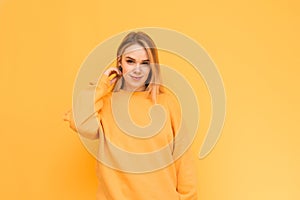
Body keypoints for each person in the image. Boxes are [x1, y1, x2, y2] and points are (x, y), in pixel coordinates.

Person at [63, 31, 198, 200]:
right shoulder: (106, 104)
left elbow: (184, 163)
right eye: (130, 61)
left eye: (145, 63)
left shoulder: (167, 103)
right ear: (119, 62)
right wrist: (103, 83)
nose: (137, 70)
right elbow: (79, 121)